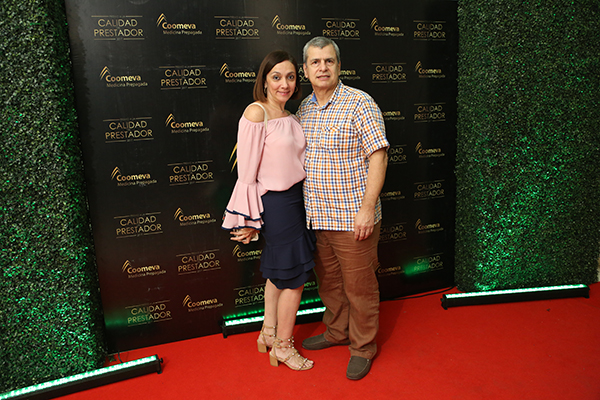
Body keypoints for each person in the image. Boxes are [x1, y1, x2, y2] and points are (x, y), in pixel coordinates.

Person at [297, 37, 389, 380]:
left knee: (360, 289)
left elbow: (378, 157)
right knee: (331, 285)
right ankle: (337, 332)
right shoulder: (304, 109)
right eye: (315, 62)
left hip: (353, 219)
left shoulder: (359, 103)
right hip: (318, 219)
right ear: (305, 69)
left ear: (338, 65)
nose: (322, 67)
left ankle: (363, 347)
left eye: (329, 61)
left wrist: (367, 208)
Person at [222, 50, 314, 371]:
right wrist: (249, 218)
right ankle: (284, 347)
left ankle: (269, 334)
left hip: (296, 200)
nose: (284, 84)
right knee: (294, 278)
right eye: (276, 77)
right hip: (275, 204)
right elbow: (247, 175)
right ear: (264, 81)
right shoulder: (256, 113)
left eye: (290, 77)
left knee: (279, 273)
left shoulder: (292, 116)